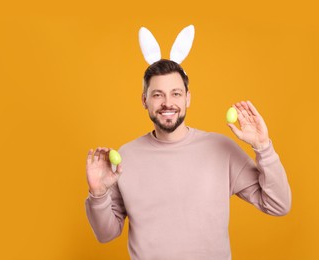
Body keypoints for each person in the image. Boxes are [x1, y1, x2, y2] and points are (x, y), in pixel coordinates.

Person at [85, 26, 291, 260]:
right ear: (144, 100)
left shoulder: (221, 150)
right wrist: (98, 194)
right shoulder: (127, 156)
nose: (167, 103)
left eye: (175, 93)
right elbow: (105, 234)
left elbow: (278, 205)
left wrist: (263, 147)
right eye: (157, 94)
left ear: (188, 97)